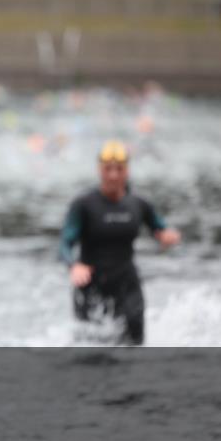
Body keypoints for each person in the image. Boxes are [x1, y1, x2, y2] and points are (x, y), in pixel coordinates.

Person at [60, 140, 181, 345]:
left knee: (135, 343)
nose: (113, 175)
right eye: (108, 169)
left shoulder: (139, 204)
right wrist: (74, 266)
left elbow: (159, 228)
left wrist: (166, 236)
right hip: (90, 285)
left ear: (127, 170)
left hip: (126, 283)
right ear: (100, 170)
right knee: (90, 350)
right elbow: (65, 243)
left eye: (119, 169)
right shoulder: (83, 205)